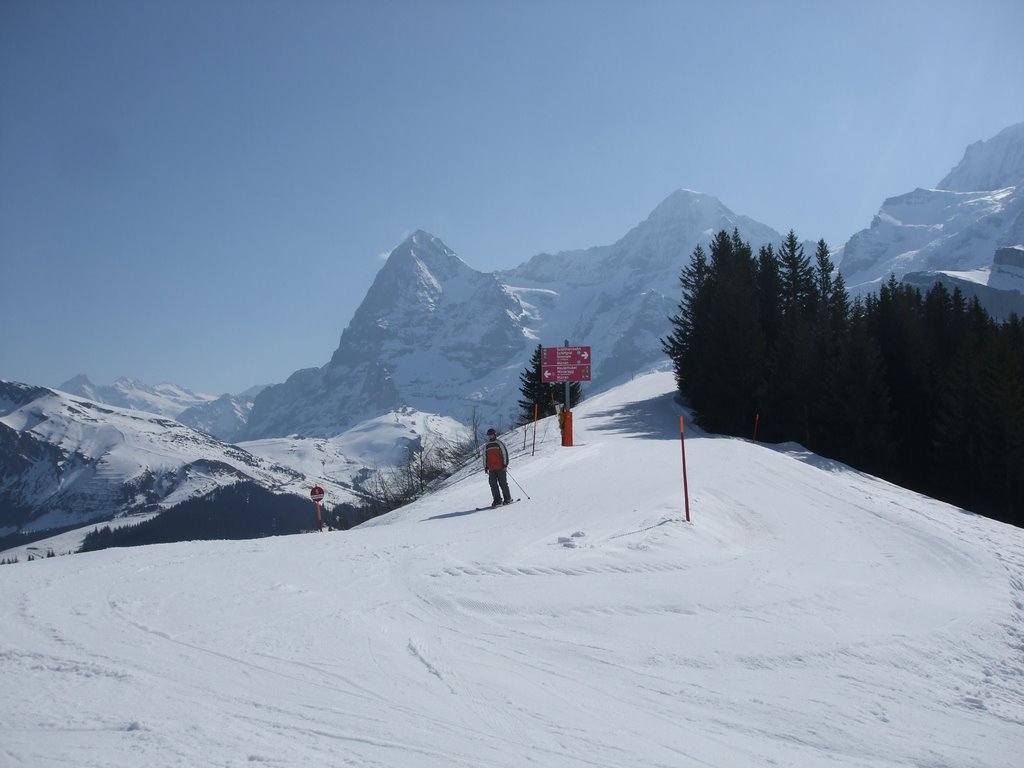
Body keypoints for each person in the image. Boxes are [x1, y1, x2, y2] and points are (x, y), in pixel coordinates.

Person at [482, 428, 513, 507]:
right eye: (489, 435)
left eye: (491, 435)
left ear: (494, 435)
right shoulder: (486, 445)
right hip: (491, 469)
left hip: (500, 467)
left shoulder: (499, 443)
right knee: (493, 485)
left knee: (503, 484)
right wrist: (485, 467)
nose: (490, 436)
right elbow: (485, 457)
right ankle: (497, 500)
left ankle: (508, 499)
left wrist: (505, 465)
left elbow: (505, 454)